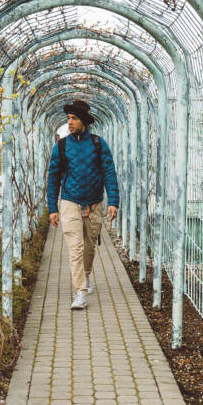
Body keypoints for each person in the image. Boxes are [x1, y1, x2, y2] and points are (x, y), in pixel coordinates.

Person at [47, 99, 120, 311]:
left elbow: (109, 173)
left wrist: (113, 202)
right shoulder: (61, 146)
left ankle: (85, 277)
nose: (69, 122)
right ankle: (80, 292)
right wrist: (53, 208)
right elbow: (53, 178)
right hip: (70, 201)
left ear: (84, 121)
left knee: (89, 247)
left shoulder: (98, 144)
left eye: (74, 118)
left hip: (95, 203)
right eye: (68, 118)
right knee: (75, 247)